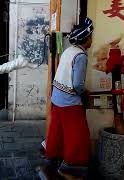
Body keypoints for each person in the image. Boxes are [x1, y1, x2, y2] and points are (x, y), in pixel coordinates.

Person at [45, 17, 93, 179]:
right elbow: (78, 84)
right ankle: (71, 168)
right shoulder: (81, 55)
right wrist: (85, 92)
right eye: (91, 36)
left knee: (57, 131)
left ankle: (52, 158)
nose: (92, 40)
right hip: (70, 102)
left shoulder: (68, 50)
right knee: (77, 135)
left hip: (56, 98)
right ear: (85, 39)